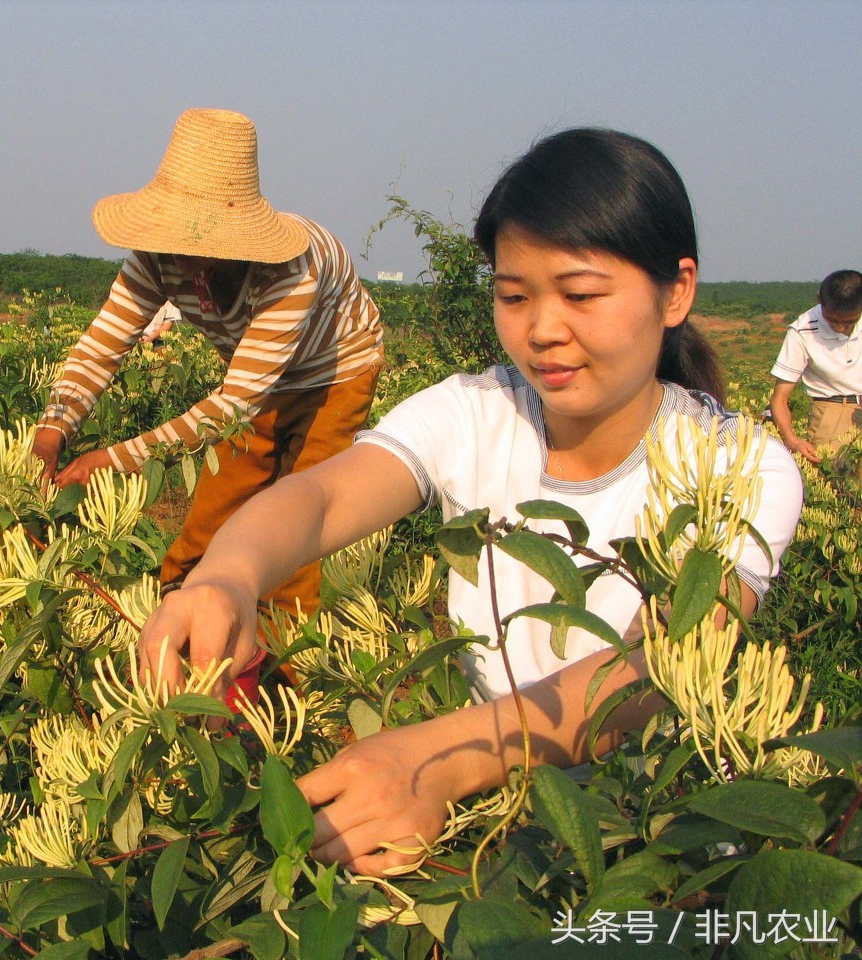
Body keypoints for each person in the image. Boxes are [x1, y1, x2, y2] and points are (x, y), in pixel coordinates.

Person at [138, 128, 804, 875]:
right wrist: (227, 575)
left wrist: (437, 760)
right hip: (498, 828)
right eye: (513, 296)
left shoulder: (741, 468)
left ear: (676, 290)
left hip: (658, 847)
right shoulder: (475, 413)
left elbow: (658, 668)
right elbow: (321, 497)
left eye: (581, 295)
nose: (544, 330)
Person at [33, 108, 384, 660]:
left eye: (201, 238)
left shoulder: (291, 269)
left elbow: (234, 405)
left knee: (305, 511)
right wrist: (53, 429)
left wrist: (112, 460)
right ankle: (179, 622)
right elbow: (103, 344)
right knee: (216, 504)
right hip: (254, 374)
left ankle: (283, 669)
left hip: (334, 372)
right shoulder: (158, 257)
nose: (187, 253)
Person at [769, 270, 862, 463]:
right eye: (833, 320)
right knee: (837, 485)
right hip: (832, 414)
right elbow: (780, 398)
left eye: (849, 322)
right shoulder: (802, 331)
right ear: (820, 300)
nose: (840, 328)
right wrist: (792, 440)